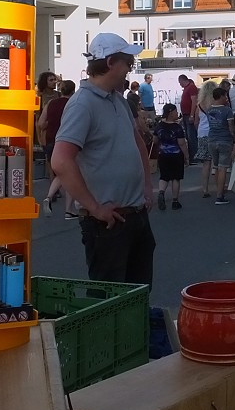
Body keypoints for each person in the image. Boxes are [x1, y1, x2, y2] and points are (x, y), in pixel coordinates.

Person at [51, 33, 154, 285]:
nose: (130, 69)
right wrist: (95, 208)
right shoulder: (82, 104)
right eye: (128, 63)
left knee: (136, 295)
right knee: (110, 301)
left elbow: (137, 142)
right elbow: (61, 161)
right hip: (108, 223)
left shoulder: (116, 99)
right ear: (110, 63)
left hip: (133, 215)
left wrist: (147, 188)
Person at [38, 80, 76, 219]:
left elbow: (41, 124)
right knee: (72, 174)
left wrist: (50, 123)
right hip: (68, 142)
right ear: (73, 91)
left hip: (50, 140)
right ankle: (69, 210)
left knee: (60, 173)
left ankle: (49, 196)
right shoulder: (74, 104)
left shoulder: (50, 104)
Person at [153, 103, 188, 211]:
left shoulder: (159, 126)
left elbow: (155, 140)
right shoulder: (177, 128)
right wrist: (186, 156)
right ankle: (175, 201)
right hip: (176, 154)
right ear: (171, 113)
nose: (177, 113)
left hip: (163, 154)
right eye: (176, 111)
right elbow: (181, 143)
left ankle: (161, 192)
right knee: (176, 178)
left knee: (164, 176)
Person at [205, 86, 235, 205]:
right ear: (221, 96)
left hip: (212, 139)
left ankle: (219, 188)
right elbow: (231, 127)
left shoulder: (209, 110)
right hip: (224, 140)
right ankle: (220, 195)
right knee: (223, 167)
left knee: (217, 166)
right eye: (225, 96)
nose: (227, 98)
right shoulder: (227, 110)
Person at [192, 80, 218, 198]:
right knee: (217, 162)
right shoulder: (216, 103)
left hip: (202, 134)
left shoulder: (200, 105)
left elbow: (196, 122)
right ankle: (220, 186)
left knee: (206, 163)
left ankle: (205, 188)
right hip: (215, 133)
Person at [178, 74, 199, 163]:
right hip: (186, 114)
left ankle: (194, 156)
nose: (180, 84)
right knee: (188, 135)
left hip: (189, 115)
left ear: (183, 80)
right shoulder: (187, 88)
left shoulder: (191, 87)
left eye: (180, 82)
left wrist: (191, 115)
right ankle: (192, 156)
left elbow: (194, 101)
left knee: (191, 136)